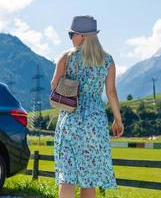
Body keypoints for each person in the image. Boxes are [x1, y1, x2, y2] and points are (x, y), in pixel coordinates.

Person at [50, 15, 124, 198]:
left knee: (67, 177)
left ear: (81, 36)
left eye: (71, 34)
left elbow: (54, 86)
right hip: (95, 123)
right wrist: (117, 119)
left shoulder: (67, 57)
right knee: (88, 178)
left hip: (70, 118)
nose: (71, 38)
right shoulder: (107, 60)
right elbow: (111, 93)